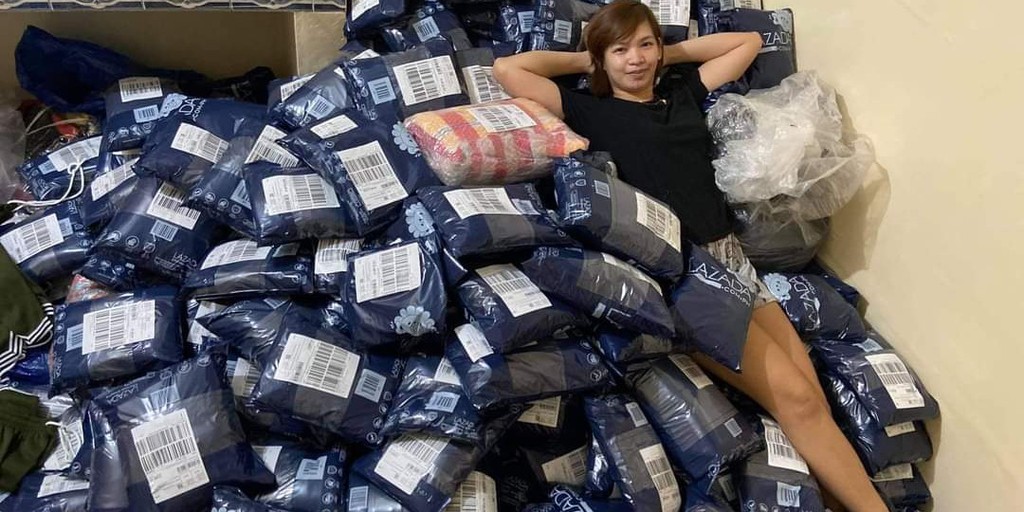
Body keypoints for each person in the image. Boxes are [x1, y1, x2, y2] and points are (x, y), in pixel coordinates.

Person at [493, 1, 890, 511]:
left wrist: (667, 54)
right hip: (685, 273)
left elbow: (746, 43)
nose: (635, 59)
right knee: (794, 397)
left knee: (809, 394)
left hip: (732, 258)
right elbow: (508, 70)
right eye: (621, 50)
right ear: (602, 58)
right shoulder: (591, 110)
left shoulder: (682, 93)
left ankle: (838, 502)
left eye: (645, 45)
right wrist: (590, 60)